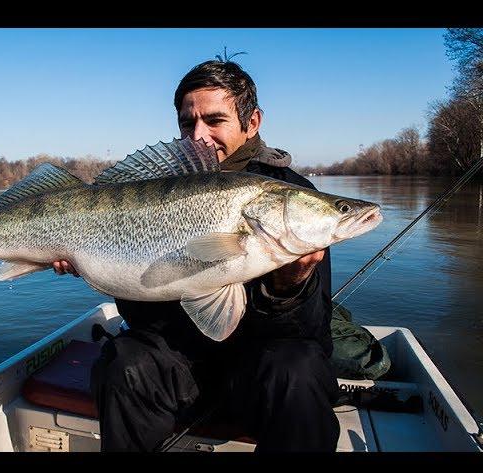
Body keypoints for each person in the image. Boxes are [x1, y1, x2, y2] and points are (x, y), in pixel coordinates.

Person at [53, 59, 340, 452]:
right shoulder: (156, 186)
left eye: (215, 120)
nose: (200, 136)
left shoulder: (293, 195)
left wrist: (288, 288)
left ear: (251, 122)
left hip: (255, 377)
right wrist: (91, 260)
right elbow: (143, 319)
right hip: (179, 369)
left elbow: (309, 332)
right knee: (124, 362)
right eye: (189, 123)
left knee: (298, 367)